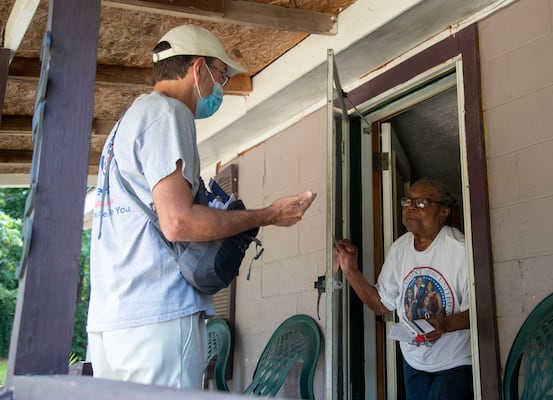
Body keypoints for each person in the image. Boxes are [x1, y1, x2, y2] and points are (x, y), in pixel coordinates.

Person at [86, 24, 317, 389]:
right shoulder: (168, 113)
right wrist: (268, 215)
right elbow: (178, 223)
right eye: (220, 75)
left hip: (112, 320)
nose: (219, 88)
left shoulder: (125, 125)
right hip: (157, 318)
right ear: (198, 70)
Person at [335, 177, 472, 400]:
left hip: (454, 363)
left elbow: (480, 310)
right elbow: (381, 305)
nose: (410, 207)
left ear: (443, 213)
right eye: (408, 201)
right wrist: (351, 271)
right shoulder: (400, 248)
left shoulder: (461, 250)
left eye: (422, 202)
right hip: (414, 363)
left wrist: (445, 323)